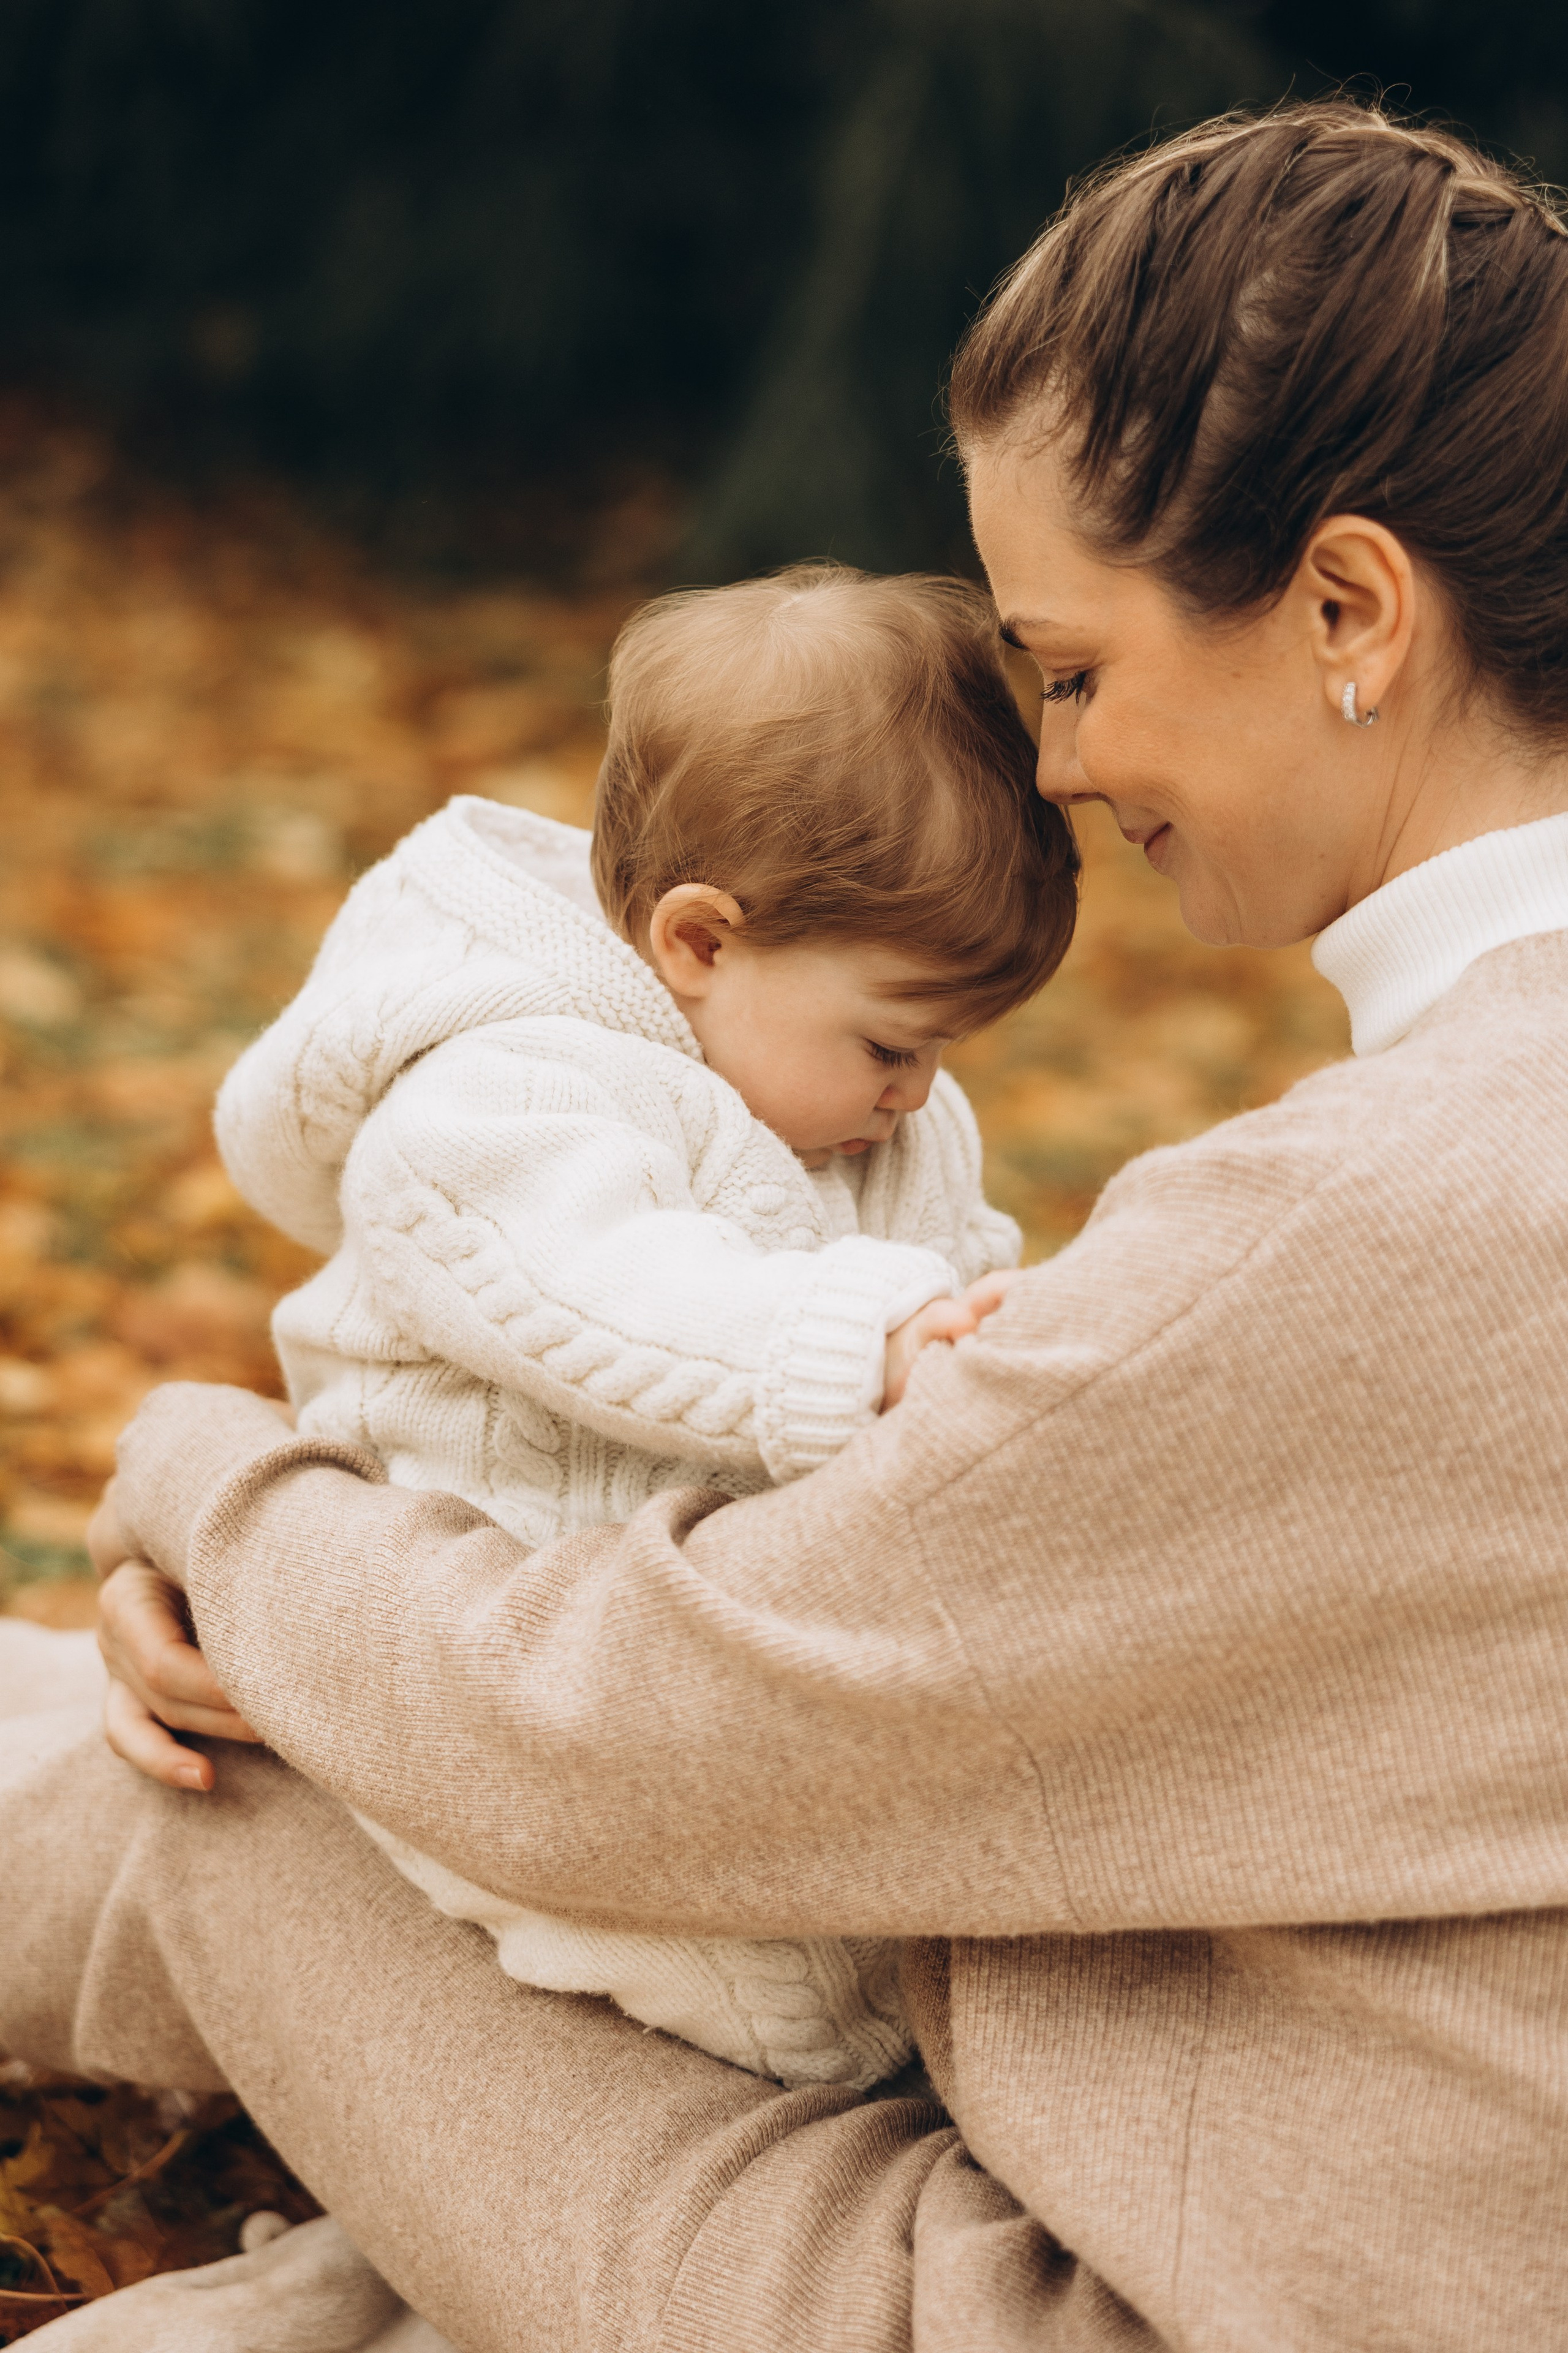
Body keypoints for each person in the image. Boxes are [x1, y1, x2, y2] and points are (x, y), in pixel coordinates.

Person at [6, 96, 1568, 2352]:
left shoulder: (1374, 1220)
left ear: (1348, 607)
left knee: (226, 1791)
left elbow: (591, 1751)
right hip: (1361, 2177)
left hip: (1125, 2294)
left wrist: (204, 1478)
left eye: (1072, 668)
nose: (1053, 765)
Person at [208, 563, 1073, 2093]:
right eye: (891, 1040)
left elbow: (953, 1273)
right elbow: (601, 1289)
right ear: (699, 943)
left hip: (694, 1659)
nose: (916, 1090)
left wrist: (996, 1345)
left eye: (945, 1047)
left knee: (882, 1882)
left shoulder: (873, 1113)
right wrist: (869, 1342)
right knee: (749, 1997)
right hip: (479, 1661)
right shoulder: (501, 1094)